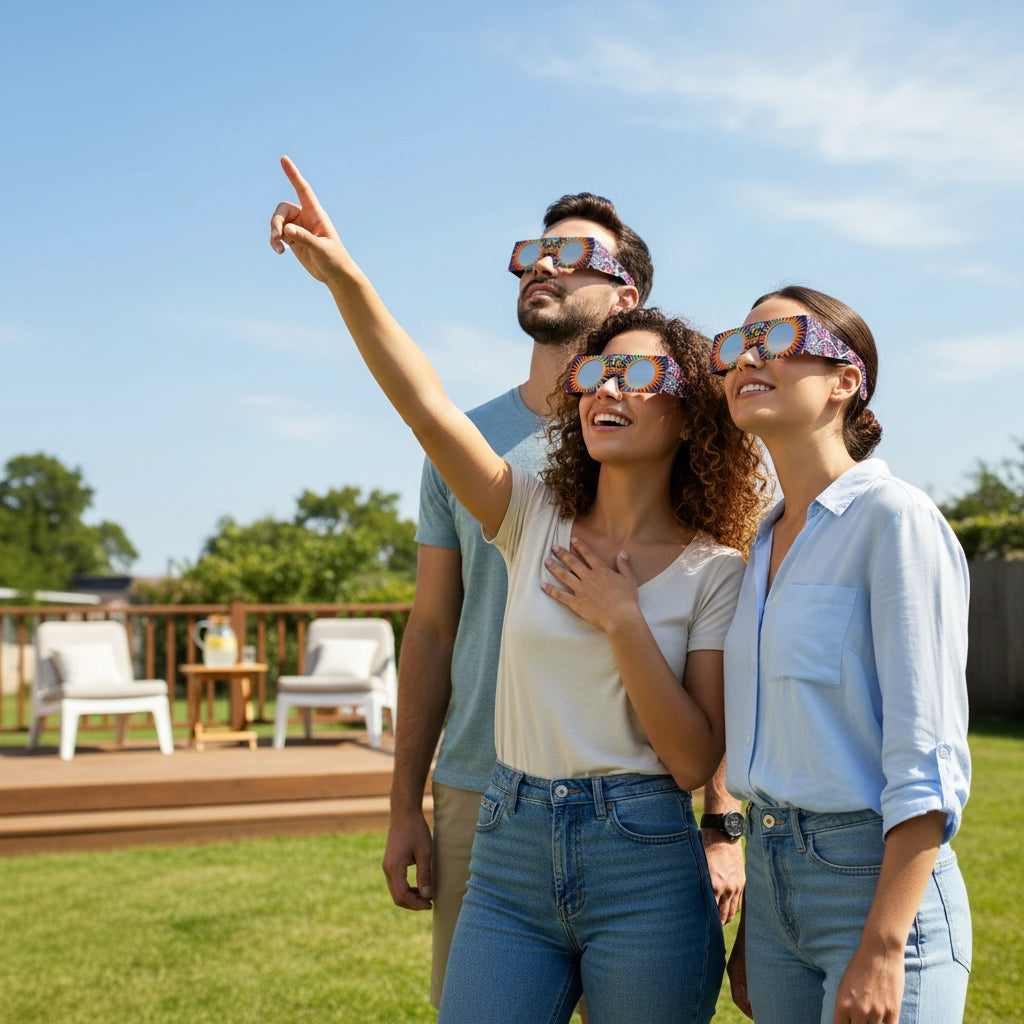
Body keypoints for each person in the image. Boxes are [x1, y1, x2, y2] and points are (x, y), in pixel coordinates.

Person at [270, 156, 767, 1023]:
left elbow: (694, 762)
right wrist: (345, 278)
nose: (606, 389)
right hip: (509, 838)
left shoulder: (715, 571)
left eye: (636, 377)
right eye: (595, 376)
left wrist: (622, 620)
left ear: (689, 412)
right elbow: (425, 407)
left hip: (644, 856)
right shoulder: (528, 512)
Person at [714, 285, 972, 1023]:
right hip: (773, 893)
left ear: (845, 380)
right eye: (735, 345)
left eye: (776, 338)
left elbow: (928, 758)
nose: (745, 358)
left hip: (877, 890)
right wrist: (765, 915)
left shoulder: (895, 519)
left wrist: (885, 945)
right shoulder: (759, 543)